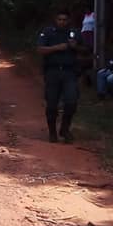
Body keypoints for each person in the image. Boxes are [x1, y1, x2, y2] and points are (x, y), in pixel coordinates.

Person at [37, 10, 81, 143]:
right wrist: (56, 48)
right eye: (59, 19)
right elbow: (40, 49)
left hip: (69, 72)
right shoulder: (48, 32)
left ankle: (65, 129)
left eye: (64, 19)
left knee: (71, 102)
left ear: (69, 20)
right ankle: (52, 132)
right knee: (52, 104)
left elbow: (86, 50)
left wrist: (75, 46)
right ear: (55, 20)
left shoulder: (74, 33)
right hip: (53, 72)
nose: (62, 22)